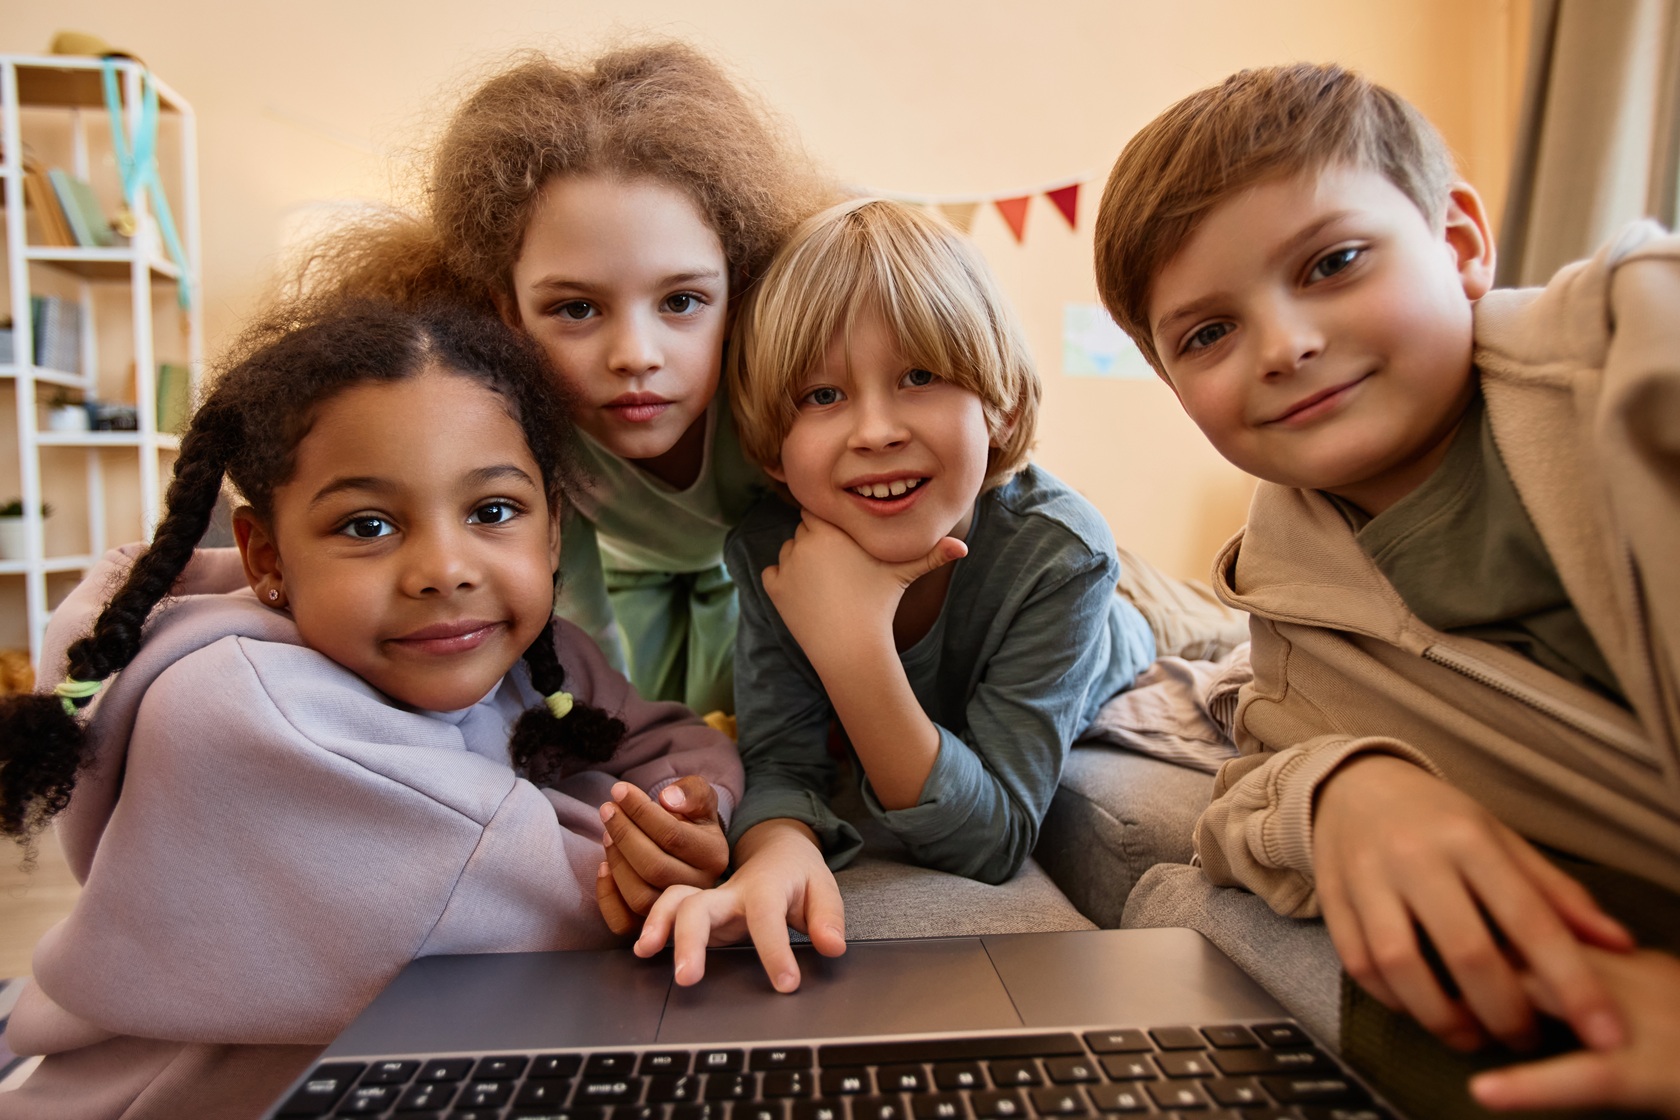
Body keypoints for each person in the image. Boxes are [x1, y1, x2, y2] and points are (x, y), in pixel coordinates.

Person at [1093, 62, 1680, 1118]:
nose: (1286, 345)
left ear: (1459, 243)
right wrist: (1343, 787)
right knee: (1187, 906)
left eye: (1334, 262)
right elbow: (1257, 771)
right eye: (1208, 333)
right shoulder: (1288, 592)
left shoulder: (1643, 352)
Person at [0, 300, 743, 1120]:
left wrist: (688, 814)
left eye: (493, 512)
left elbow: (664, 737)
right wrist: (654, 844)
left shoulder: (528, 651)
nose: (444, 570)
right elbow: (561, 913)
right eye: (369, 524)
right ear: (267, 557)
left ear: (554, 528)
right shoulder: (245, 712)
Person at [630, 198, 1159, 992]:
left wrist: (852, 647)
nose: (875, 430)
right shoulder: (771, 549)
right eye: (821, 396)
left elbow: (993, 841)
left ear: (1002, 402)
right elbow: (781, 757)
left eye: (920, 377)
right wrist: (779, 840)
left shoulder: (1061, 555)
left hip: (1121, 631)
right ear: (773, 450)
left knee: (1166, 617)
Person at [294, 41, 833, 722]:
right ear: (506, 311)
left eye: (682, 301)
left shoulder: (790, 387)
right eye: (576, 308)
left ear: (739, 285)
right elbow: (577, 623)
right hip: (626, 576)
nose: (636, 356)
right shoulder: (515, 420)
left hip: (766, 570)